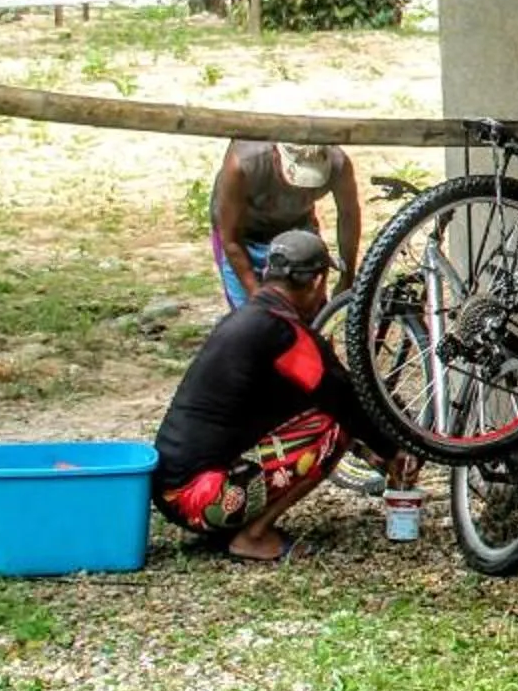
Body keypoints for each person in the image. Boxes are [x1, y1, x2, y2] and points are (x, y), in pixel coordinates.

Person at [152, 229, 412, 562]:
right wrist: (391, 450)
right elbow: (347, 402)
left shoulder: (242, 320)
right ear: (319, 281)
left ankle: (240, 525)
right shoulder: (285, 335)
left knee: (326, 416)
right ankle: (253, 537)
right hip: (206, 502)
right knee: (333, 428)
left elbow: (297, 405)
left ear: (267, 272)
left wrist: (366, 450)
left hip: (169, 495)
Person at [211, 138, 360, 307]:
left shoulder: (338, 163)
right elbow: (230, 239)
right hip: (245, 238)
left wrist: (347, 277)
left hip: (296, 228)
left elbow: (348, 215)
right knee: (253, 319)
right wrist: (258, 298)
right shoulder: (244, 164)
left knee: (309, 312)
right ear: (276, 156)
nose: (302, 190)